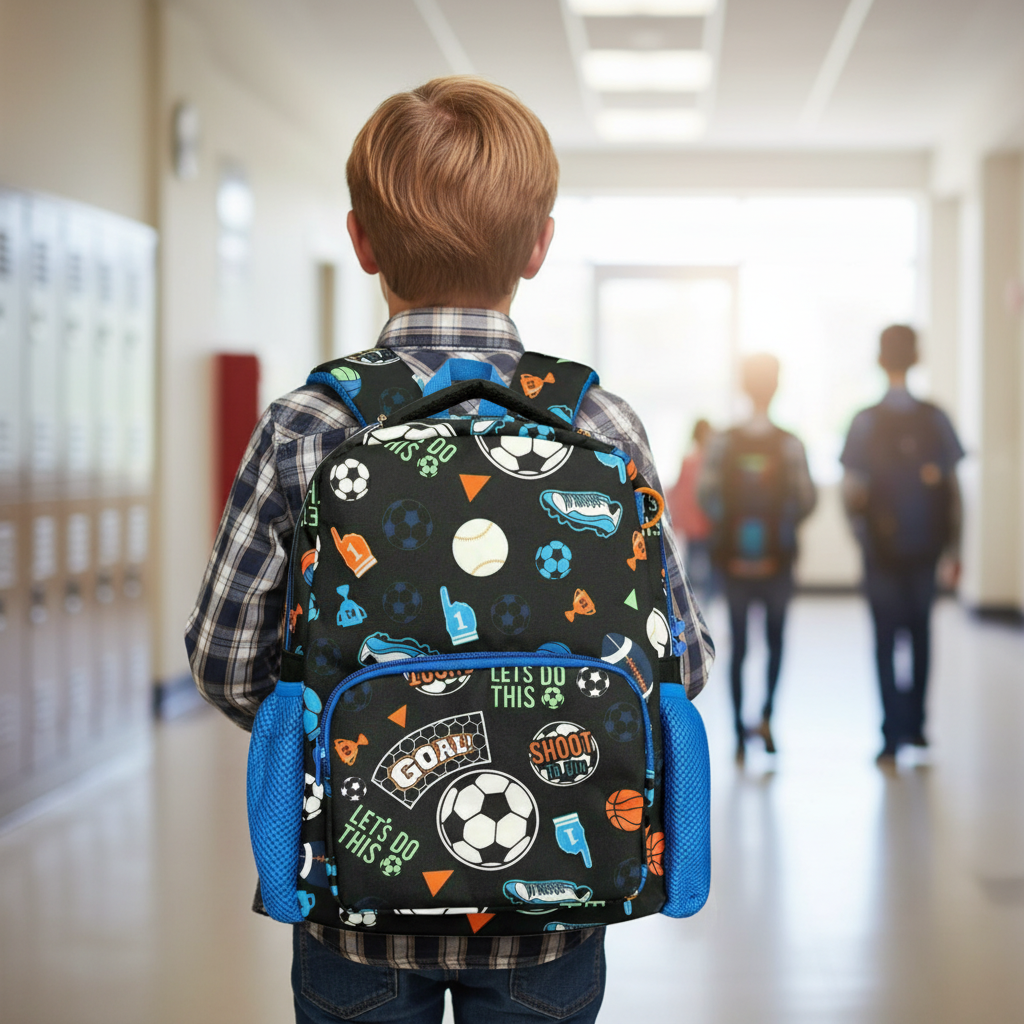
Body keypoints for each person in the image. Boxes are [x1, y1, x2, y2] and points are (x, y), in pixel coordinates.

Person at [186, 77, 715, 1024]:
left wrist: (346, 736)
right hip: (553, 908)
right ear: (541, 246)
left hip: (355, 900)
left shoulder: (309, 425)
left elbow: (226, 664)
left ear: (361, 242)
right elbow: (686, 661)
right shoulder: (600, 421)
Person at [840, 324, 963, 767]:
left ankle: (890, 735)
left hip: (881, 553)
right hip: (925, 549)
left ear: (880, 358)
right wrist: (955, 550)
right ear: (917, 357)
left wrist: (864, 541)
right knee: (922, 634)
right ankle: (916, 725)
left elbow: (851, 493)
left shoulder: (866, 420)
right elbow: (952, 493)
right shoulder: (935, 418)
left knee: (885, 640)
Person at [698, 354, 816, 761]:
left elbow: (706, 498)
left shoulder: (724, 442)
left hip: (732, 562)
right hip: (778, 563)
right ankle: (766, 718)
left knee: (740, 645)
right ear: (777, 386)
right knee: (776, 642)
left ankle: (735, 732)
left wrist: (733, 534)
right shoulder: (789, 443)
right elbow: (806, 499)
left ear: (743, 386)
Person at [667, 418, 716, 606]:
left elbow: (679, 491)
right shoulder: (707, 461)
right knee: (708, 564)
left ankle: (691, 602)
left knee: (694, 562)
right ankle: (703, 602)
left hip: (697, 521)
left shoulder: (691, 460)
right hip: (705, 521)